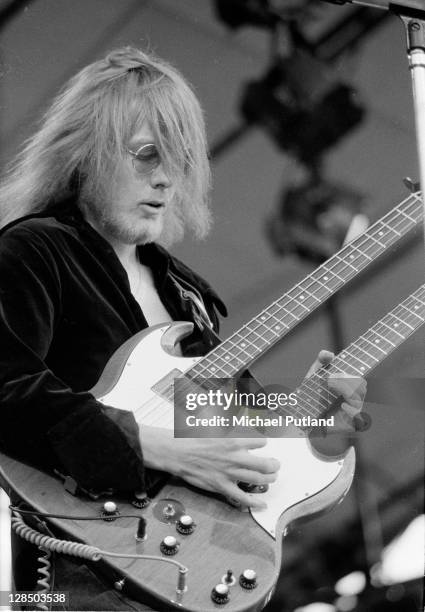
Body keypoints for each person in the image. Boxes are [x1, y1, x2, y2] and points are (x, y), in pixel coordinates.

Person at [0, 47, 365, 610]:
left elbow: (222, 430)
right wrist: (149, 445)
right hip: (71, 575)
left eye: (180, 159)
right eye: (147, 154)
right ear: (86, 152)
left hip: (187, 567)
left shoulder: (187, 292)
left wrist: (304, 410)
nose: (167, 178)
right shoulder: (37, 250)